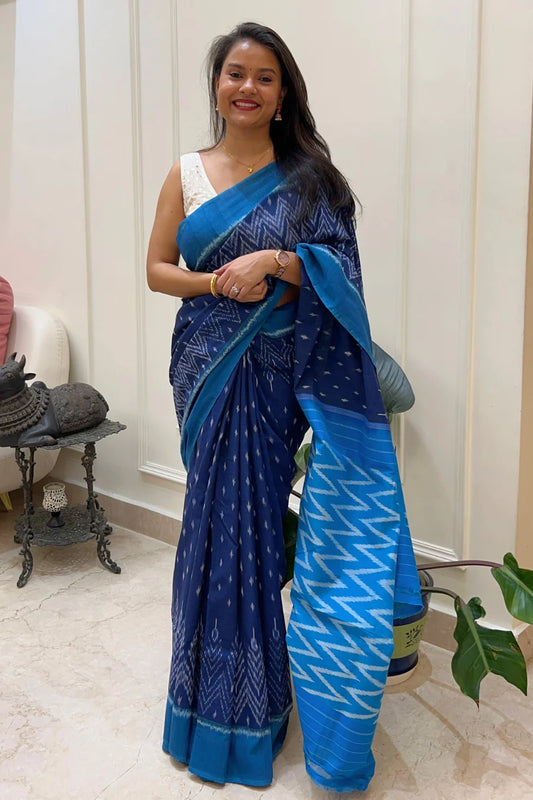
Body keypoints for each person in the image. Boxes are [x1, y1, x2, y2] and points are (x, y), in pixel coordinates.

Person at [146, 21, 422, 793]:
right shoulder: (186, 173)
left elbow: (342, 275)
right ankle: (198, 704)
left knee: (259, 537)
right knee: (207, 532)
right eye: (235, 72)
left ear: (282, 94)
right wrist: (216, 282)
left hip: (273, 380)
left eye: (264, 77)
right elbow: (156, 268)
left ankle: (258, 706)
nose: (247, 87)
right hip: (205, 370)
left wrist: (277, 261)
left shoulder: (310, 179)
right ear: (216, 85)